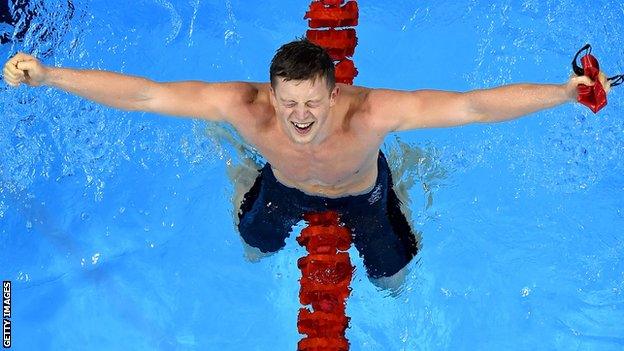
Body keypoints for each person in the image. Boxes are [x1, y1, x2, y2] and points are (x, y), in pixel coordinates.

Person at [2, 39, 613, 290]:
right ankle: (240, 167)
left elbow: (474, 106)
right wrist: (51, 75)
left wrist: (563, 92)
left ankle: (410, 173)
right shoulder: (245, 106)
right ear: (272, 95)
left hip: (363, 193)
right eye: (288, 103)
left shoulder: (370, 112)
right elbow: (145, 93)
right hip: (283, 185)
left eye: (311, 103)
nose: (299, 117)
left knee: (394, 282)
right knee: (252, 248)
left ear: (333, 93)